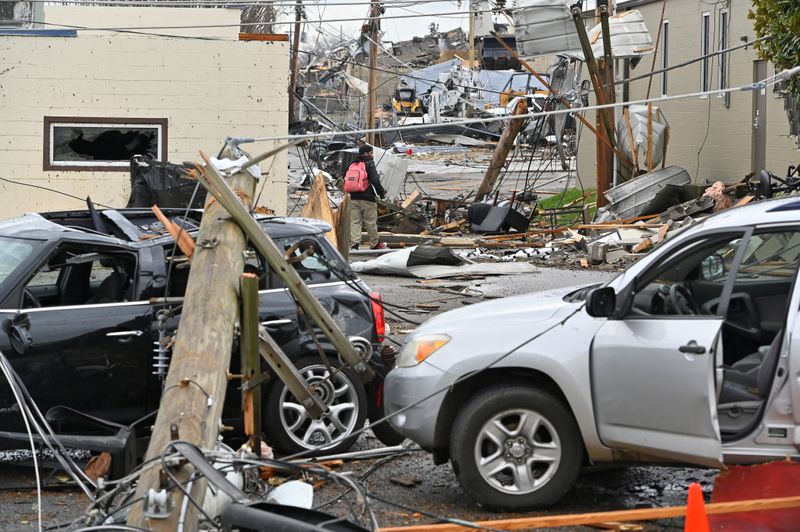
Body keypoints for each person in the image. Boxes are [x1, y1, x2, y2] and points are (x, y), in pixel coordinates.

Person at [348, 144, 387, 250]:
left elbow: (344, 178)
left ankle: (355, 243)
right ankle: (375, 244)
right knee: (370, 222)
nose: (372, 155)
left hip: (353, 197)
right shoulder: (369, 163)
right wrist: (381, 193)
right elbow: (375, 180)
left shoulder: (352, 163)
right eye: (371, 153)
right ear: (366, 153)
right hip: (367, 198)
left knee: (355, 222)